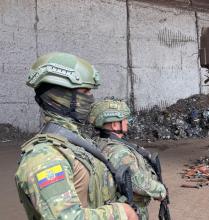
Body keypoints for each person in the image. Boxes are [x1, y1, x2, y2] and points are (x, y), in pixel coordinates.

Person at [15, 52, 138, 220]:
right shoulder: (45, 157)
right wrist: (121, 212)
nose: (90, 98)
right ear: (61, 97)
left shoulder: (75, 142)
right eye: (85, 91)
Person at [89, 98, 167, 220]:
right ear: (115, 124)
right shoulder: (119, 152)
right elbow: (138, 183)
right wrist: (161, 191)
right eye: (124, 119)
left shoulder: (97, 143)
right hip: (129, 212)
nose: (127, 122)